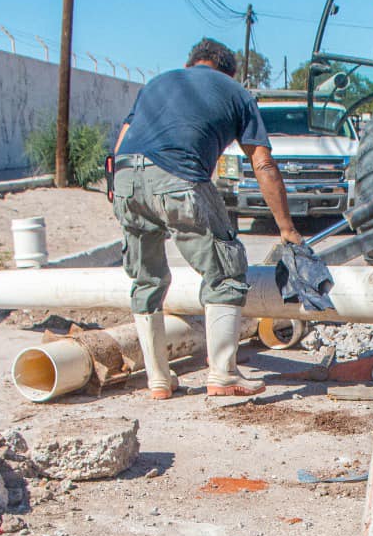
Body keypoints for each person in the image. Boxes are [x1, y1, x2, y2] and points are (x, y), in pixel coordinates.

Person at [111, 38, 304, 397]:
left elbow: (122, 141)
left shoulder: (157, 83)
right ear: (228, 72)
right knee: (227, 269)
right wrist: (286, 228)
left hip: (124, 180)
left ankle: (158, 380)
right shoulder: (236, 92)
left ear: (192, 64)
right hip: (177, 175)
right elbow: (261, 162)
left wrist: (120, 193)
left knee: (146, 278)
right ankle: (224, 375)